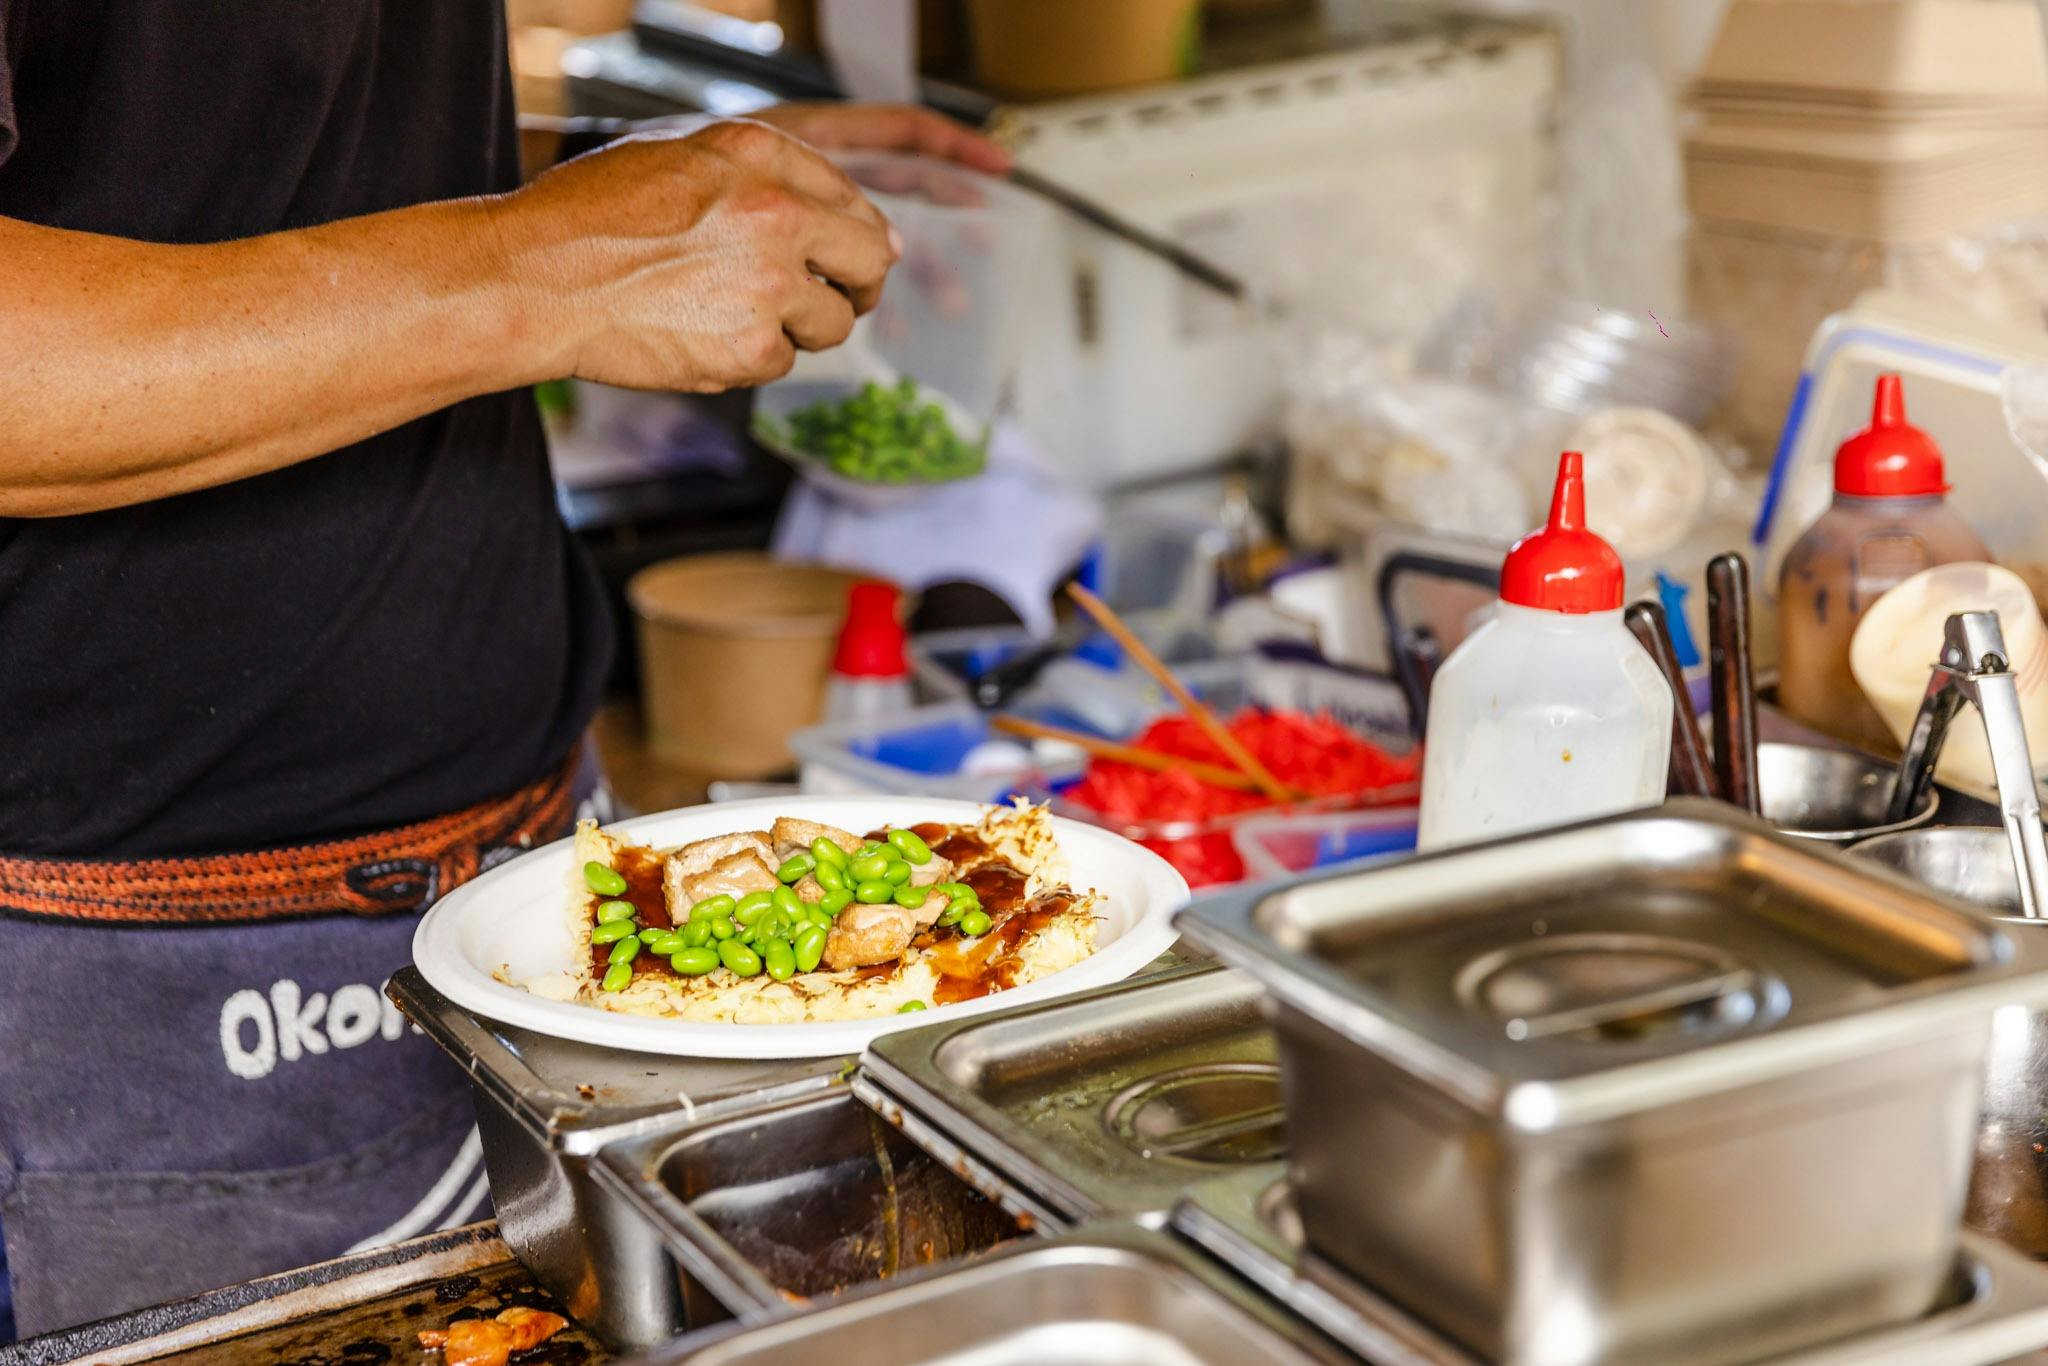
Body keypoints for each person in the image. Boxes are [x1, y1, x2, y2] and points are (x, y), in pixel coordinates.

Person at [0, 1, 1008, 1340]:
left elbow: (208, 131)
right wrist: (565, 264)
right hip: (161, 987)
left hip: (541, 876)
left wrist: (631, 181)